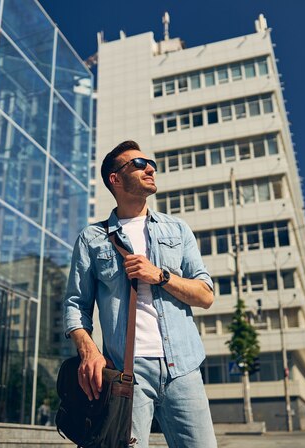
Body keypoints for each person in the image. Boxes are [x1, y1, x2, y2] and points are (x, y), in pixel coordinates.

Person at [64, 141, 217, 447]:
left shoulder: (177, 229)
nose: (150, 168)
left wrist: (159, 276)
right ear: (115, 179)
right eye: (138, 164)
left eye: (151, 163)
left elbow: (205, 295)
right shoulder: (91, 239)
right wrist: (89, 350)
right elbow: (75, 305)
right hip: (127, 373)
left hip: (183, 368)